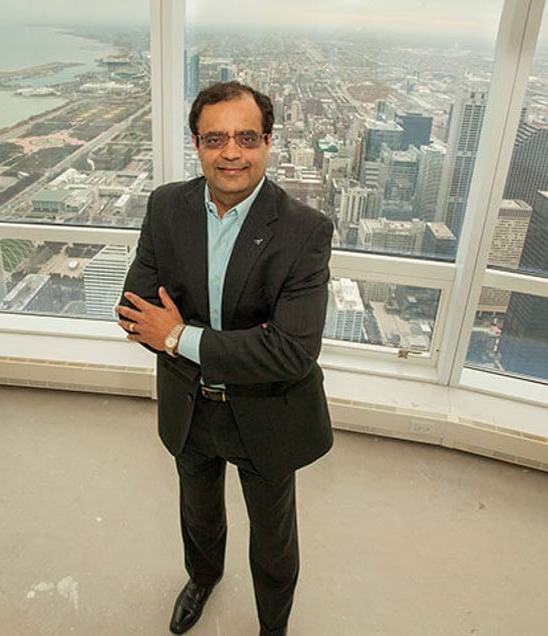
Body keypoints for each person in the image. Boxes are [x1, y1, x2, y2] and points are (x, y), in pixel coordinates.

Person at [116, 81, 333, 636]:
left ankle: (273, 627)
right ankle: (202, 579)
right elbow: (134, 311)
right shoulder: (167, 206)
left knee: (273, 535)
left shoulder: (305, 231)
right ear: (196, 142)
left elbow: (291, 351)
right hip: (189, 407)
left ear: (267, 141)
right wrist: (238, 341)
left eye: (245, 137)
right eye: (215, 139)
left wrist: (179, 335)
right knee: (199, 515)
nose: (230, 152)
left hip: (266, 415)